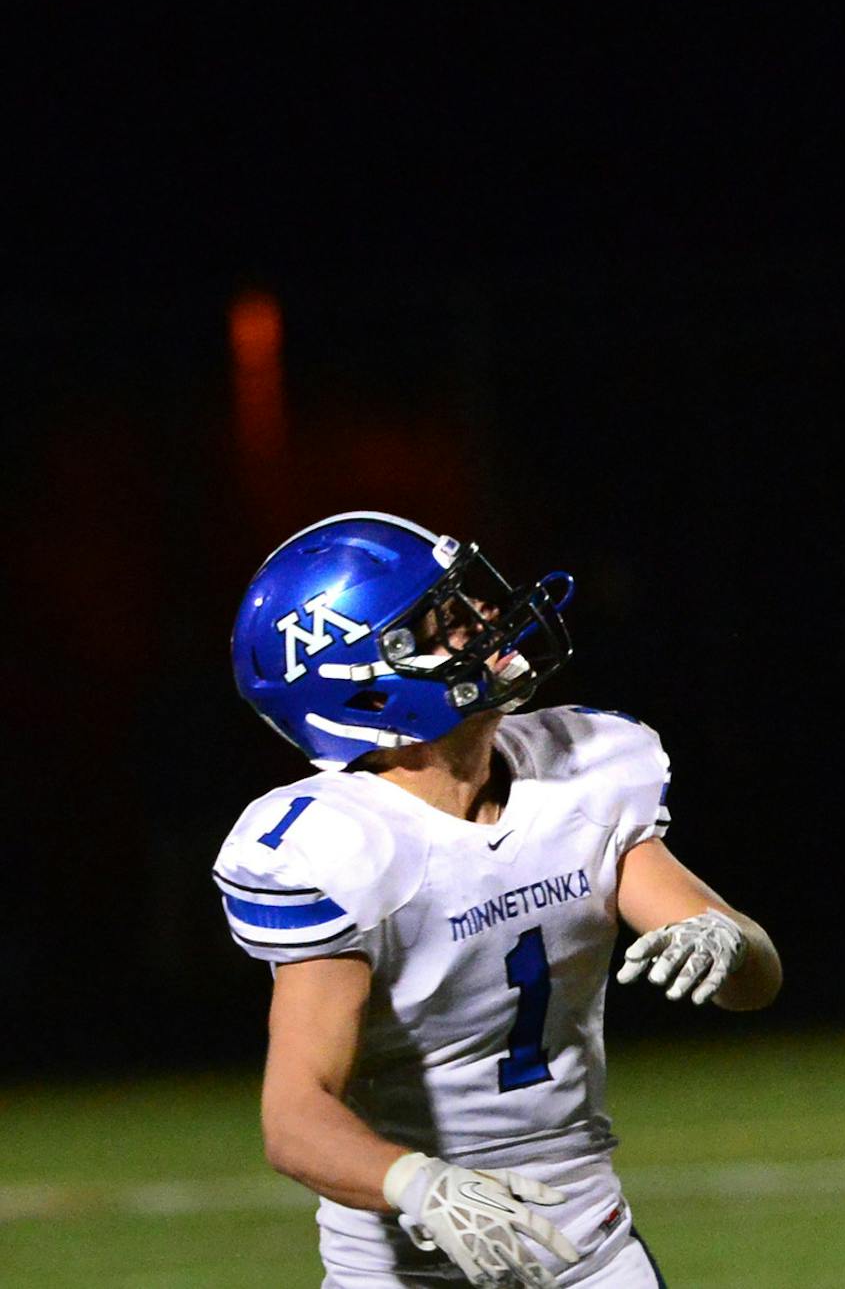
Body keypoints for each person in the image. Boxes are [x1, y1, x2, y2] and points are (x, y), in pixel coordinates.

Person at [217, 511, 782, 1288]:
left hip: (591, 1250)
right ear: (372, 688)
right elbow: (292, 1120)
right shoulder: (340, 848)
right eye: (445, 619)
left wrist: (728, 943)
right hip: (410, 1269)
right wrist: (421, 1184)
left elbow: (753, 984)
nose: (487, 619)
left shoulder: (579, 769)